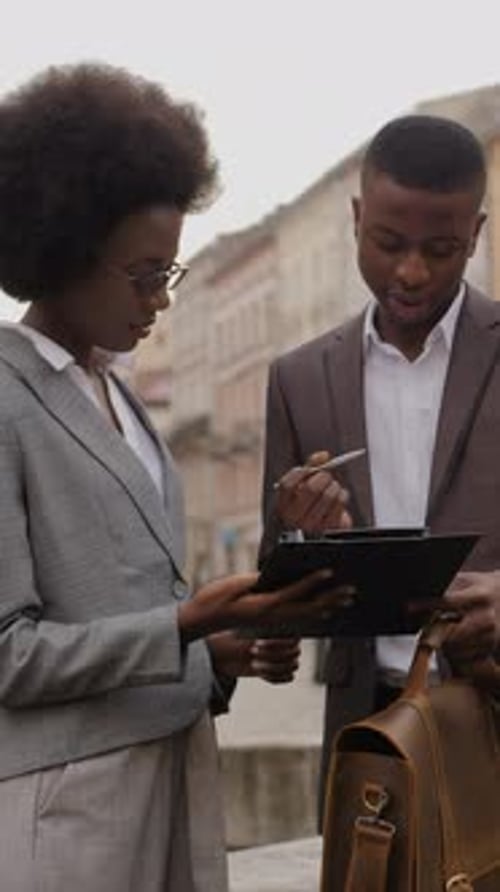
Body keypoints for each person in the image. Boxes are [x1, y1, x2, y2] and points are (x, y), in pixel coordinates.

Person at [0, 63, 347, 892]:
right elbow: (9, 655)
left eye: (171, 273)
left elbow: (121, 607)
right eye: (145, 273)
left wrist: (216, 650)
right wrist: (188, 620)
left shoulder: (116, 392)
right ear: (62, 250)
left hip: (173, 771)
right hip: (68, 806)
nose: (161, 300)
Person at [259, 114, 500, 819]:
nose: (412, 272)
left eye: (442, 248)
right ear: (357, 217)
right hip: (367, 733)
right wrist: (300, 539)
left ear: (478, 235)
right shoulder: (297, 379)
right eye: (389, 243)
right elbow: (282, 583)